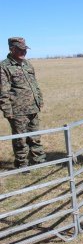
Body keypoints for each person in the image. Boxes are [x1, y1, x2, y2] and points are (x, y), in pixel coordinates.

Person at [0, 37, 46, 169]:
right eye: (20, 50)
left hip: (33, 108)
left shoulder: (27, 64)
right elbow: (3, 92)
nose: (23, 52)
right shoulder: (4, 67)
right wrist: (8, 111)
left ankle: (39, 161)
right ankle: (22, 165)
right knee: (21, 140)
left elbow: (34, 84)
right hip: (17, 111)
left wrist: (39, 100)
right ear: (11, 49)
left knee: (35, 137)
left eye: (24, 49)